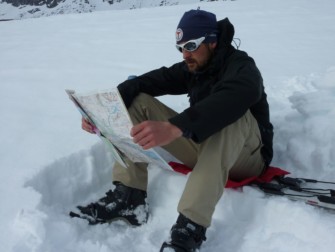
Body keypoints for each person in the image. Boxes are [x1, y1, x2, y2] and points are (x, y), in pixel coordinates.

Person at [76, 9, 273, 252]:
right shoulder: (195, 66)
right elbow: (144, 82)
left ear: (212, 41)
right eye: (180, 47)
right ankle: (129, 198)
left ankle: (190, 227)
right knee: (137, 101)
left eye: (191, 45)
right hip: (206, 147)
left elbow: (237, 96)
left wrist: (176, 126)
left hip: (248, 156)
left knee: (231, 114)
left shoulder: (242, 67)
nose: (185, 54)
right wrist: (99, 113)